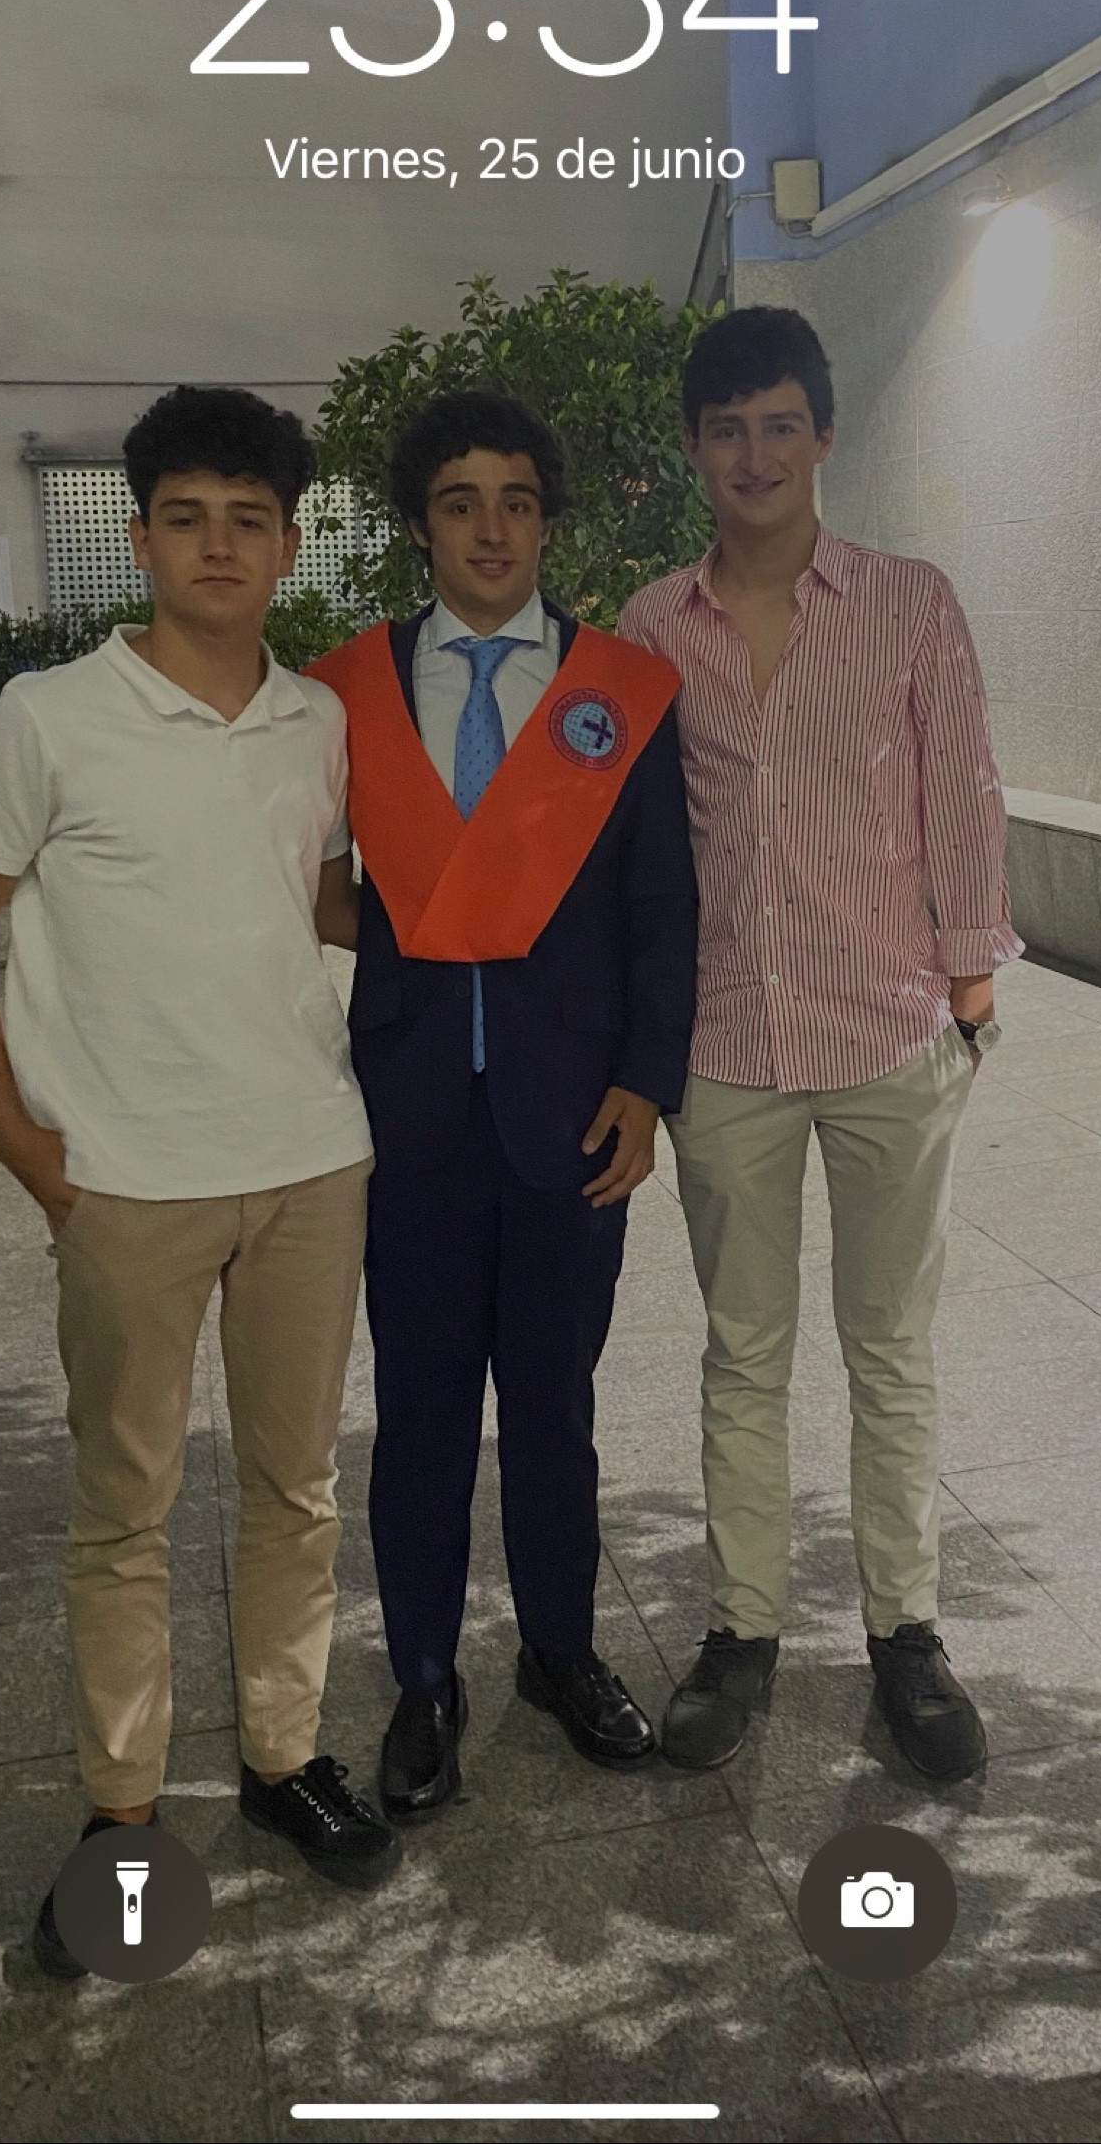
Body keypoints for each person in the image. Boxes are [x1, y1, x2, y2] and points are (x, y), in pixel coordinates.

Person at [0, 386, 398, 1979]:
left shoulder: (317, 721)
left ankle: (282, 1756)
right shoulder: (50, 715)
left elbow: (317, 899)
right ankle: (121, 1809)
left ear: (287, 545)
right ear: (137, 540)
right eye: (187, 518)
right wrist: (12, 1131)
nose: (218, 546)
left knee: (296, 1487)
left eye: (250, 520)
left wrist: (495, 926)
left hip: (308, 1159)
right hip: (126, 1178)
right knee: (124, 1505)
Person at [619, 307, 1021, 1783]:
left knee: (890, 1346)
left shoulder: (911, 605)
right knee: (744, 1350)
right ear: (694, 449)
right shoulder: (653, 630)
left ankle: (906, 1631)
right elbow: (637, 847)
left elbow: (962, 793)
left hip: (886, 1035)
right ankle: (742, 1630)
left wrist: (966, 989)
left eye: (780, 424)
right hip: (728, 1043)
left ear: (824, 436)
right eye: (727, 430)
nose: (755, 454)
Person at [308, 390, 698, 1820]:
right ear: (420, 523)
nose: (492, 528)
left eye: (518, 501)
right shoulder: (346, 693)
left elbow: (663, 905)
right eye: (461, 501)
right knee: (417, 1408)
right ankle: (424, 1677)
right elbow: (313, 882)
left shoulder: (623, 691)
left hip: (571, 1114)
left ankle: (559, 1649)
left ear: (547, 521)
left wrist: (648, 1083)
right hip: (406, 1113)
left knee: (554, 1399)